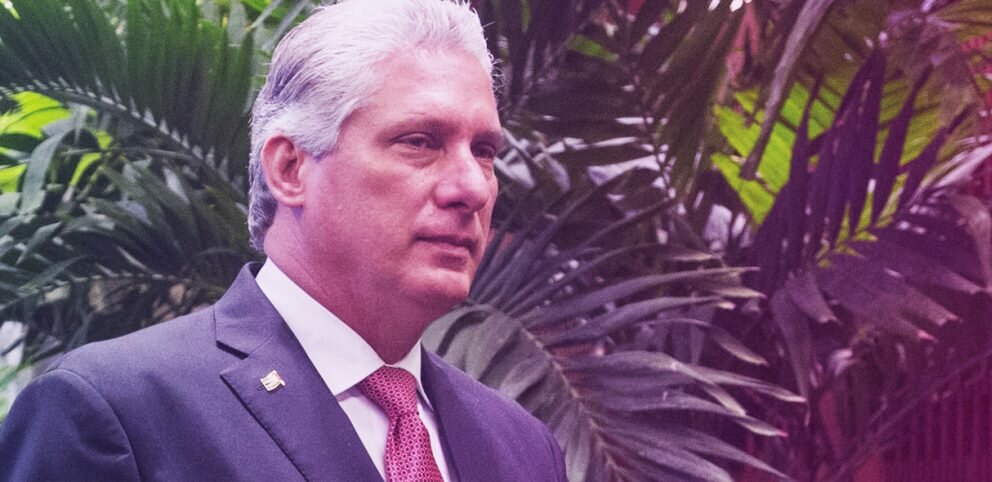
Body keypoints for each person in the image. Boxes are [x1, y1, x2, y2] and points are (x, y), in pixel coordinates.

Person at [0, 0, 567, 480]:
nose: (473, 187)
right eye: (420, 141)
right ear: (291, 168)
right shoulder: (116, 412)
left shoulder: (523, 447)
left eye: (484, 151)